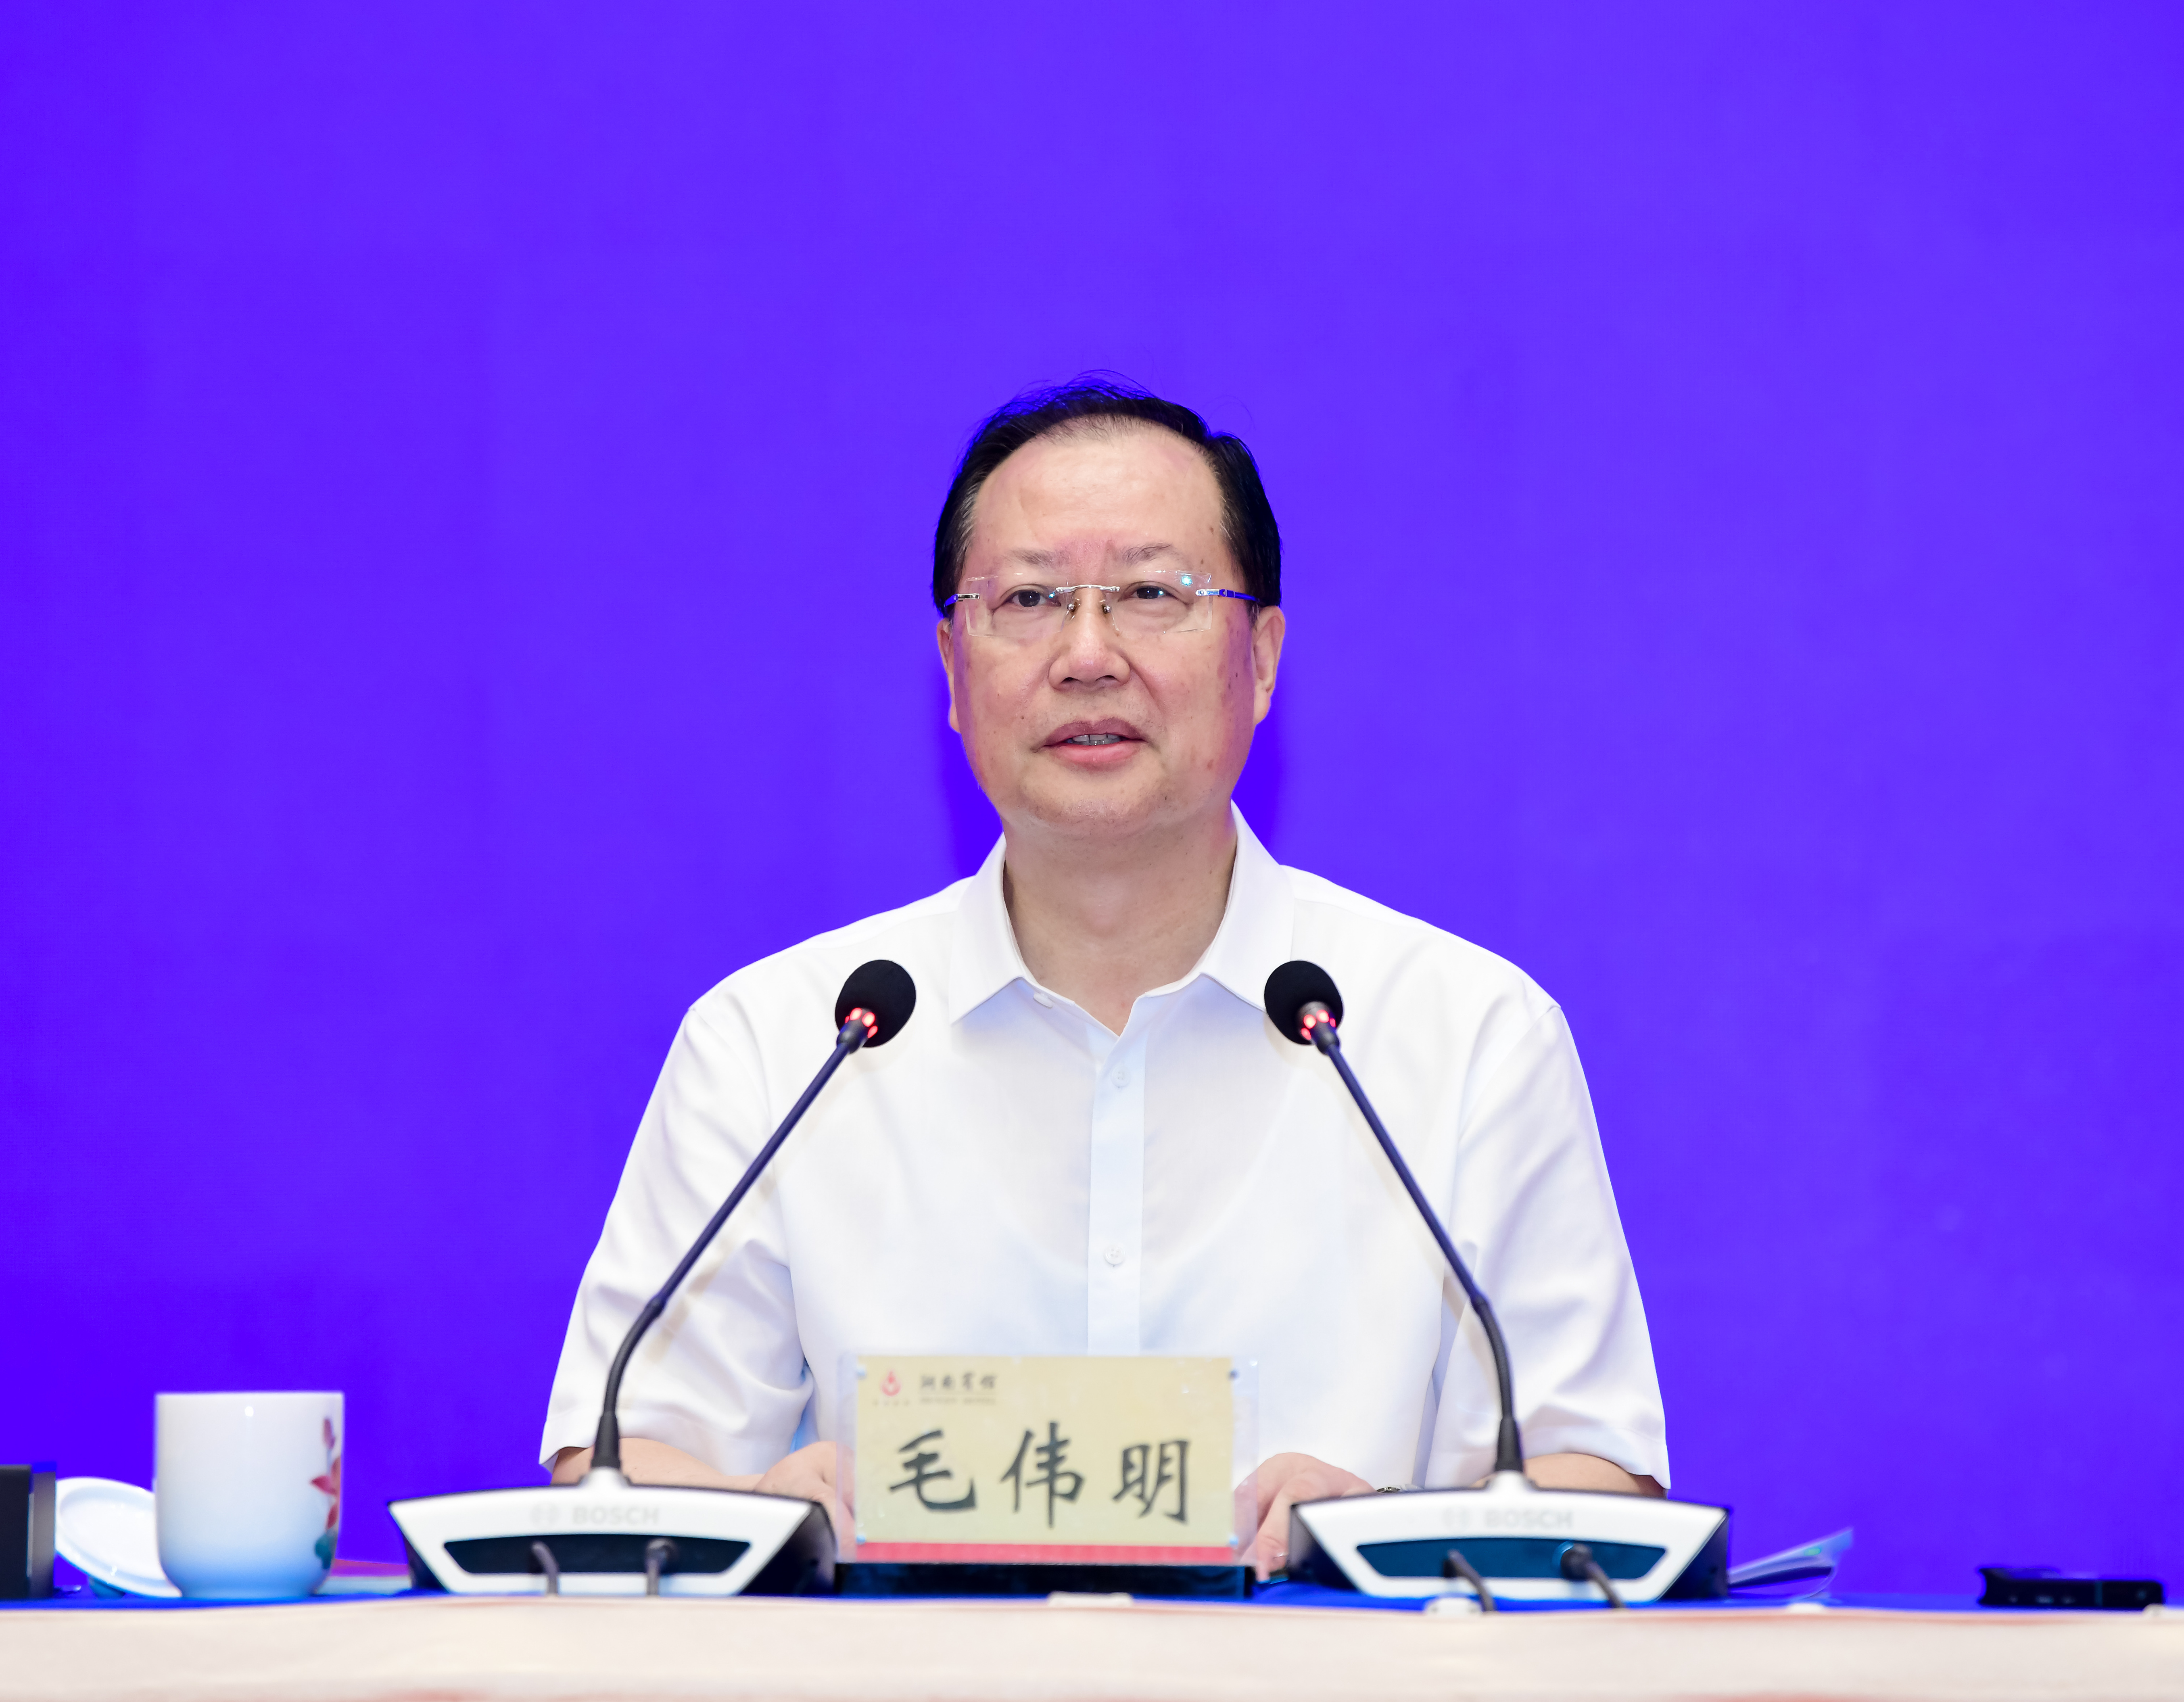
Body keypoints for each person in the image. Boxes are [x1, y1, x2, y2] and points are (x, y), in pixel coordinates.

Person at [540, 379, 1667, 1574]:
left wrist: (1373, 1532)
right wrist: (767, 1514)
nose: (1086, 656)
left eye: (1152, 594)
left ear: (1263, 657)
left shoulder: (1466, 1033)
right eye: (1029, 600)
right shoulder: (783, 1042)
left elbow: (1596, 1479)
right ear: (952, 667)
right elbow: (622, 1464)